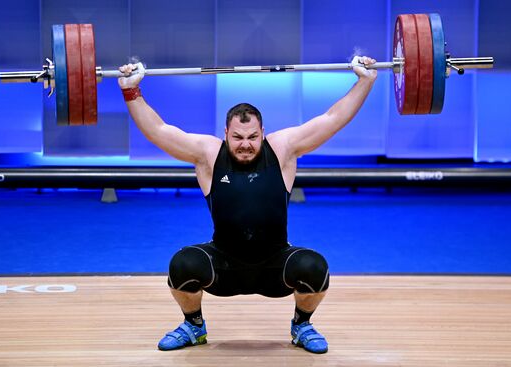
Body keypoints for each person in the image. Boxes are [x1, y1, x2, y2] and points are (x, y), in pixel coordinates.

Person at [118, 56, 377, 354]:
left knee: (315, 268)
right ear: (226, 133)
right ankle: (194, 325)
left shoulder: (283, 149)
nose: (245, 144)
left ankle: (302, 324)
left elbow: (332, 119)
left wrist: (364, 81)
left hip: (275, 265)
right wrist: (131, 91)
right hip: (222, 266)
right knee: (182, 264)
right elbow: (159, 132)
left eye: (253, 137)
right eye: (238, 137)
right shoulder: (208, 155)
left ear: (263, 133)